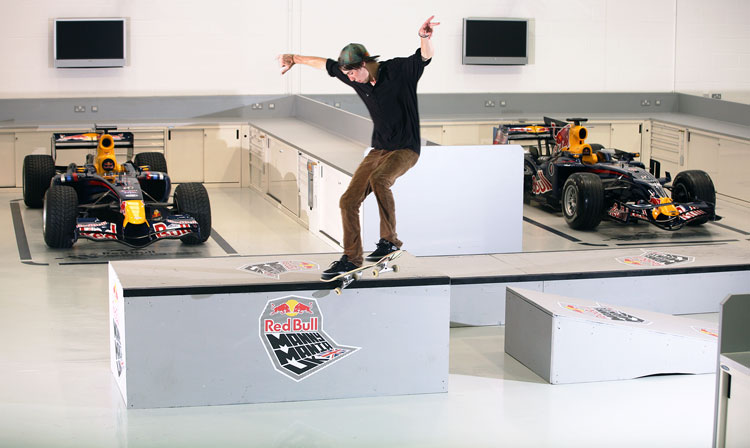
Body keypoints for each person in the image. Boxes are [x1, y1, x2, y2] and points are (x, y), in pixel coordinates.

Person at [279, 16, 439, 280]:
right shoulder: (354, 77)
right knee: (348, 201)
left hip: (406, 148)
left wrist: (424, 37)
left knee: (380, 179)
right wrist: (294, 58)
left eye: (352, 73)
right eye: (347, 75)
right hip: (378, 149)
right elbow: (325, 64)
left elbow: (424, 57)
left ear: (364, 64)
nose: (351, 79)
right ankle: (352, 258)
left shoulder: (398, 71)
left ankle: (390, 242)